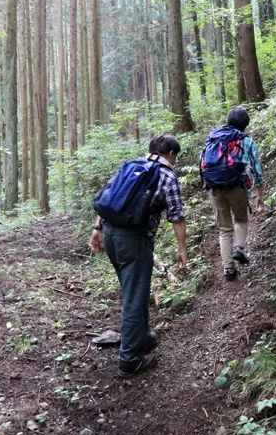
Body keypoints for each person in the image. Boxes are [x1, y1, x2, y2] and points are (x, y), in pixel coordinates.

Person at [88, 134, 188, 377]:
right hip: (134, 240)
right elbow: (176, 215)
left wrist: (97, 230)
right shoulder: (167, 176)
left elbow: (107, 199)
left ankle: (141, 337)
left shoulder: (131, 166)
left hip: (111, 234)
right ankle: (130, 359)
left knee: (134, 290)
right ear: (171, 154)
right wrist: (182, 249)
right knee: (134, 296)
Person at [203, 107, 264, 281]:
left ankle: (228, 269)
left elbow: (204, 164)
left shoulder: (213, 137)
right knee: (241, 219)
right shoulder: (246, 140)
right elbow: (256, 169)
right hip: (237, 185)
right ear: (245, 125)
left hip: (214, 186)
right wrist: (260, 195)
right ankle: (239, 248)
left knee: (224, 228)